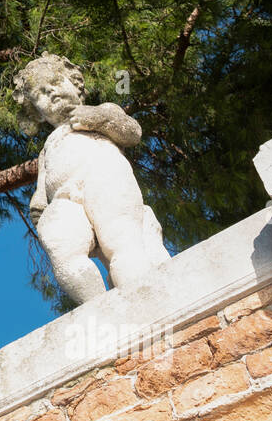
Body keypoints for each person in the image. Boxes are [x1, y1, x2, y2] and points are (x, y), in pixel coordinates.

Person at [12, 54, 170, 304]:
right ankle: (98, 307)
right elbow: (44, 178)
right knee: (59, 243)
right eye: (41, 93)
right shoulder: (47, 147)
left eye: (55, 81)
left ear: (75, 82)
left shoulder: (102, 110)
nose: (51, 92)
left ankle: (145, 300)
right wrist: (39, 200)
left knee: (120, 240)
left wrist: (100, 119)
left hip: (104, 178)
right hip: (64, 198)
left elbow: (132, 133)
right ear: (37, 112)